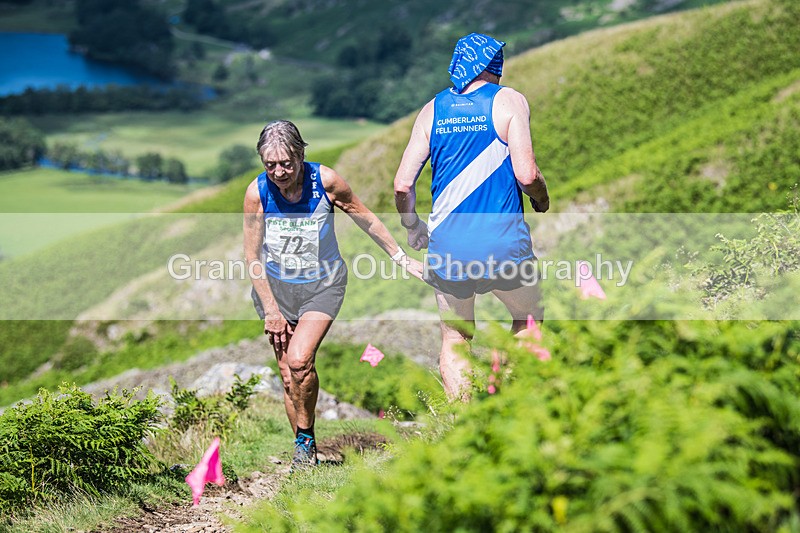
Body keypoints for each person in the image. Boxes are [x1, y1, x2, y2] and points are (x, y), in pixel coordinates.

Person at [244, 120, 423, 469]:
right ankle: (303, 448)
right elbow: (252, 257)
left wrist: (400, 258)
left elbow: (365, 218)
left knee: (299, 360)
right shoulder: (258, 193)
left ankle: (305, 440)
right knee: (287, 375)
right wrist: (271, 310)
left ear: (301, 154)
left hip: (322, 287)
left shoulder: (325, 182)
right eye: (270, 165)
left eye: (287, 163)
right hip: (276, 292)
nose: (279, 172)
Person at [394, 33, 550, 401]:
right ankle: (512, 407)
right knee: (528, 319)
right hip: (503, 245)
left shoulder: (432, 109)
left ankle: (461, 430)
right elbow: (527, 175)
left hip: (448, 247)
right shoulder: (509, 100)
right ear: (494, 66)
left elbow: (403, 185)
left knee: (456, 337)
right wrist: (542, 200)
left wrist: (412, 226)